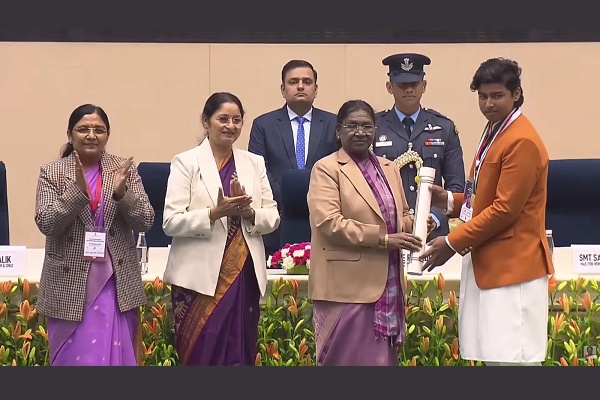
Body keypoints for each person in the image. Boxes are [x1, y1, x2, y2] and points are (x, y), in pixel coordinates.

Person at [420, 58, 554, 366]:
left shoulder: (521, 139)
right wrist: (449, 201)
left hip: (513, 267)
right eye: (482, 96)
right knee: (495, 357)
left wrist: (451, 242)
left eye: (497, 96)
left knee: (514, 361)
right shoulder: (495, 130)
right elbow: (483, 195)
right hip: (490, 263)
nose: (488, 104)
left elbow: (505, 209)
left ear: (516, 94)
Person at [307, 99, 436, 366]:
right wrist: (384, 239)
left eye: (367, 126)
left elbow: (401, 215)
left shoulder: (389, 168)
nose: (360, 132)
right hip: (346, 288)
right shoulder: (327, 169)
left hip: (387, 283)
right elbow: (329, 223)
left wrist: (418, 224)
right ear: (338, 131)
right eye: (352, 126)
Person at [162, 92, 280, 366]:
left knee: (240, 350)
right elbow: (170, 221)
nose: (230, 126)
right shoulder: (186, 162)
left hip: (242, 275)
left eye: (237, 120)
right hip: (198, 280)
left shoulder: (253, 163)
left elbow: (273, 216)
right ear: (206, 121)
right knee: (202, 353)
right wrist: (214, 214)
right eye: (223, 119)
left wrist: (248, 212)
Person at [34, 104, 155, 366]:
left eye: (99, 130)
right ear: (70, 134)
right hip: (69, 284)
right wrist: (76, 193)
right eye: (83, 129)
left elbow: (145, 220)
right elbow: (46, 223)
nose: (91, 135)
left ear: (107, 135)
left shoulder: (123, 170)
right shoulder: (52, 172)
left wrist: (123, 194)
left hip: (115, 283)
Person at [248, 59, 337, 258]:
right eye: (293, 82)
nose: (300, 86)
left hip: (324, 220)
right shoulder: (263, 125)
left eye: (307, 82)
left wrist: (315, 198)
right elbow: (259, 169)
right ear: (283, 89)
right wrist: (290, 197)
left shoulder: (334, 123)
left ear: (316, 89)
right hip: (278, 219)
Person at [373, 53, 465, 240]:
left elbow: (456, 186)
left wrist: (434, 218)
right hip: (390, 230)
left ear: (424, 86)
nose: (409, 90)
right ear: (390, 87)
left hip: (433, 232)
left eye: (414, 84)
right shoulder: (374, 127)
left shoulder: (444, 127)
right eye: (402, 84)